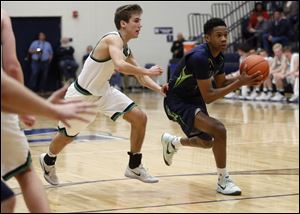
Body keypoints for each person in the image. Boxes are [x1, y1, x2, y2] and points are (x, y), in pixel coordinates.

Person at [39, 4, 166, 186]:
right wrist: (147, 70)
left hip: (104, 92)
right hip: (81, 96)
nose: (140, 25)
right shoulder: (112, 40)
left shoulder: (126, 48)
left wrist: (160, 89)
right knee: (67, 136)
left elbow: (142, 78)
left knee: (140, 118)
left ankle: (134, 166)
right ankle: (48, 160)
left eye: (140, 21)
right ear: (123, 23)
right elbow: (121, 66)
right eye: (136, 21)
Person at [1, 8, 95, 213]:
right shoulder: (2, 16)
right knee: (25, 173)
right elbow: (12, 68)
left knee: (6, 200)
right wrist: (44, 109)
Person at [161, 18, 263, 196]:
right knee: (219, 130)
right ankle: (223, 180)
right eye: (219, 35)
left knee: (207, 142)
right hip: (177, 101)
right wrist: (239, 82)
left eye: (225, 35)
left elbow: (221, 83)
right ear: (207, 38)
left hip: (194, 97)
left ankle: (173, 142)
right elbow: (209, 97)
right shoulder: (199, 57)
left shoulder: (219, 57)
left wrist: (244, 80)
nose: (224, 39)